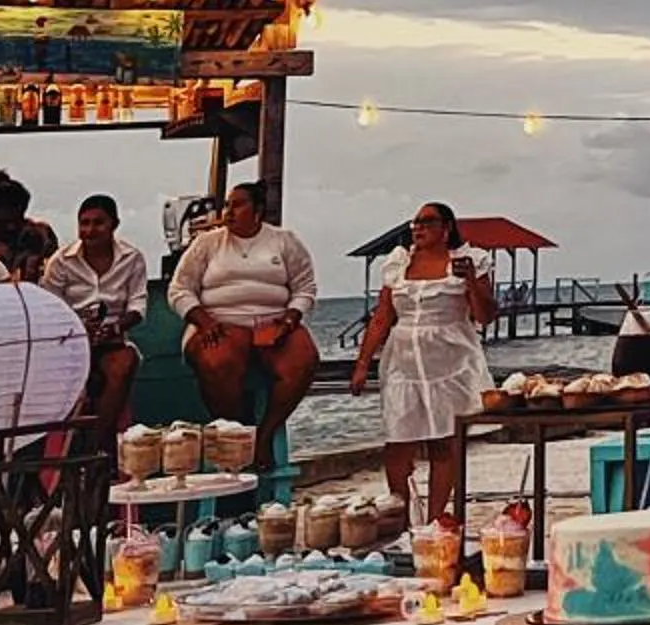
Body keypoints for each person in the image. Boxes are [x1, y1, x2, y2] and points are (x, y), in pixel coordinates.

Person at [347, 202, 495, 523]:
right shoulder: (399, 263)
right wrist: (362, 363)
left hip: (451, 358)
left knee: (443, 442)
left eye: (427, 222)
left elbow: (485, 316)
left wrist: (470, 280)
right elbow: (382, 316)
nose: (418, 227)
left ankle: (435, 520)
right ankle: (400, 516)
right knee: (397, 441)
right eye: (415, 222)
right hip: (403, 358)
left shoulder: (471, 261)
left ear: (447, 228)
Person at [169, 182, 320, 461]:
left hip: (273, 323)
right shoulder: (207, 243)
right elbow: (179, 289)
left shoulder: (284, 240)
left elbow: (305, 287)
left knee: (304, 360)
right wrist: (204, 321)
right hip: (218, 323)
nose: (229, 211)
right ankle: (236, 434)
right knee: (218, 362)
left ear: (258, 210)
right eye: (227, 205)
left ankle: (264, 435)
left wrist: (290, 319)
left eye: (237, 204)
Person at [44, 193, 149, 440]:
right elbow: (50, 309)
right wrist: (79, 330)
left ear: (114, 224)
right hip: (68, 343)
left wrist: (113, 329)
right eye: (84, 223)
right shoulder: (61, 261)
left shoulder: (132, 258)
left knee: (124, 365)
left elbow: (138, 305)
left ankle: (99, 446)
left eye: (98, 223)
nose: (90, 230)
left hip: (112, 340)